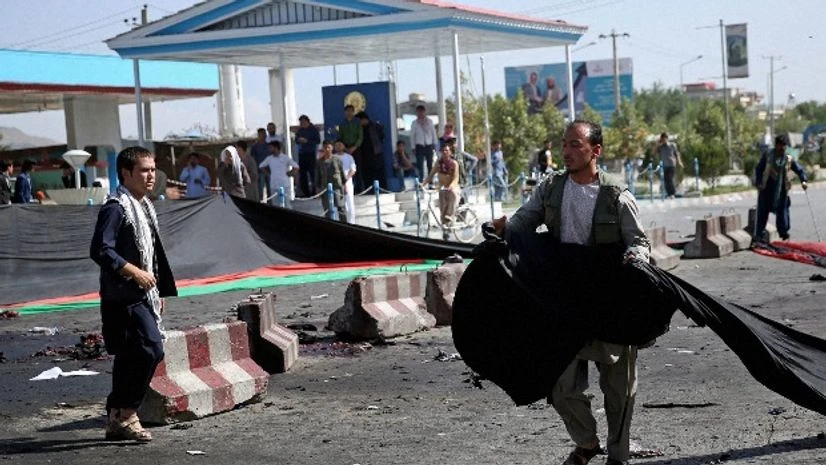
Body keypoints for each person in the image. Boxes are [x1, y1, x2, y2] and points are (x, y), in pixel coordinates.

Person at [492, 120, 650, 465]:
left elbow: (639, 241)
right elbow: (523, 222)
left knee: (619, 390)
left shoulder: (617, 196)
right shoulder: (550, 189)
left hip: (611, 302)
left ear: (596, 151)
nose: (566, 151)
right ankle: (587, 441)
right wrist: (504, 229)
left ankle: (618, 457)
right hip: (566, 301)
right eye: (564, 144)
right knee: (560, 383)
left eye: (575, 145)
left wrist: (635, 258)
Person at [89, 146, 177, 442]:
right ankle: (127, 413)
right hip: (123, 295)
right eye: (143, 170)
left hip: (142, 294)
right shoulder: (116, 207)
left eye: (153, 169)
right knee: (152, 348)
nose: (150, 175)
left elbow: (150, 254)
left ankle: (117, 417)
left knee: (130, 355)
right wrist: (134, 272)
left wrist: (158, 289)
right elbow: (101, 249)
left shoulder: (143, 205)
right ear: (126, 173)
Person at [755, 134, 808, 241]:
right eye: (780, 145)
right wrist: (759, 182)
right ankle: (759, 235)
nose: (782, 148)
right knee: (762, 212)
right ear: (776, 145)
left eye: (784, 146)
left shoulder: (788, 159)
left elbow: (799, 170)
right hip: (767, 189)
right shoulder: (768, 156)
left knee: (782, 212)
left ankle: (783, 233)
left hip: (782, 190)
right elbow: (759, 169)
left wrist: (803, 180)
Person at [425, 144, 460, 241]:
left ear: (450, 152)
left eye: (446, 150)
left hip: (453, 187)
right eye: (443, 150)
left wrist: (451, 186)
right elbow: (431, 175)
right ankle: (445, 229)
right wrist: (423, 184)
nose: (444, 152)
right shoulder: (438, 163)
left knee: (453, 194)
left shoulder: (454, 163)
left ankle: (450, 215)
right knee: (442, 206)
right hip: (443, 187)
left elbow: (456, 177)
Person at [259, 140, 299, 208]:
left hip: (284, 185)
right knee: (276, 205)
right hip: (274, 185)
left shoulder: (285, 157)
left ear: (276, 147)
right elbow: (261, 166)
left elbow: (296, 167)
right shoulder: (269, 158)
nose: (269, 149)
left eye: (271, 147)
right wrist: (268, 173)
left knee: (286, 204)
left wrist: (290, 173)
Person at [315, 140, 345, 221]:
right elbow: (317, 176)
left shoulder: (337, 160)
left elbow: (342, 175)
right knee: (327, 210)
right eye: (325, 147)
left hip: (337, 187)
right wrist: (317, 188)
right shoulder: (319, 162)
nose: (327, 149)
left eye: (329, 147)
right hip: (325, 188)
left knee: (341, 208)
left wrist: (344, 187)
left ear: (332, 148)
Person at [357, 111, 386, 191]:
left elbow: (381, 137)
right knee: (367, 174)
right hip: (365, 155)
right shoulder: (360, 128)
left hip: (376, 154)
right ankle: (369, 190)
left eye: (360, 120)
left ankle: (383, 189)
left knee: (379, 174)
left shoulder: (375, 126)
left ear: (364, 119)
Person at [295, 114, 321, 197]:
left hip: (311, 153)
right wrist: (299, 140)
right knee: (302, 174)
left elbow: (317, 141)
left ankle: (314, 191)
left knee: (313, 173)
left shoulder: (313, 130)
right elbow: (296, 140)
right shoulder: (300, 130)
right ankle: (305, 193)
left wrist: (307, 141)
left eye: (303, 122)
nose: (302, 124)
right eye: (300, 122)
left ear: (308, 121)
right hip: (302, 153)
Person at [410, 104, 438, 178]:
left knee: (430, 164)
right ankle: (421, 181)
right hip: (419, 146)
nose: (420, 113)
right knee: (420, 164)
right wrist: (413, 147)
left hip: (429, 145)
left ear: (424, 112)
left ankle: (430, 181)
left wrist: (435, 144)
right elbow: (412, 136)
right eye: (419, 112)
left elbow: (433, 133)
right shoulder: (414, 123)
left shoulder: (430, 121)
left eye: (422, 112)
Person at [339, 105, 363, 190]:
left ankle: (359, 188)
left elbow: (360, 136)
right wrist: (345, 148)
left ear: (353, 112)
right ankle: (346, 187)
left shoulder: (357, 122)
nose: (349, 113)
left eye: (351, 111)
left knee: (357, 167)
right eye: (347, 111)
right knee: (346, 168)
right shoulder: (342, 123)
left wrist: (354, 147)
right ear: (345, 112)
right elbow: (340, 137)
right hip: (345, 148)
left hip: (356, 148)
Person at [334, 140, 358, 224]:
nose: (338, 146)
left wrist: (345, 179)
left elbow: (353, 170)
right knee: (339, 203)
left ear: (344, 146)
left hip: (348, 182)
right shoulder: (333, 157)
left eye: (340, 145)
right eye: (336, 145)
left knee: (350, 203)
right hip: (336, 183)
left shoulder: (349, 157)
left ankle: (352, 222)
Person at [655, 133, 682, 198]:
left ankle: (672, 193)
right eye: (662, 139)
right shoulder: (660, 147)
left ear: (667, 138)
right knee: (666, 180)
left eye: (665, 138)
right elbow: (653, 152)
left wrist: (679, 161)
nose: (664, 140)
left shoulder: (672, 145)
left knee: (670, 179)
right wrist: (657, 144)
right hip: (664, 165)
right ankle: (669, 194)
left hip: (671, 164)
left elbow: (676, 154)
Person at [250, 128, 271, 200]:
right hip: (259, 171)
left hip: (269, 171)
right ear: (258, 135)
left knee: (270, 190)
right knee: (260, 190)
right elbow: (252, 159)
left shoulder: (269, 146)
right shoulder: (255, 147)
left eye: (264, 134)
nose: (263, 136)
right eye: (261, 134)